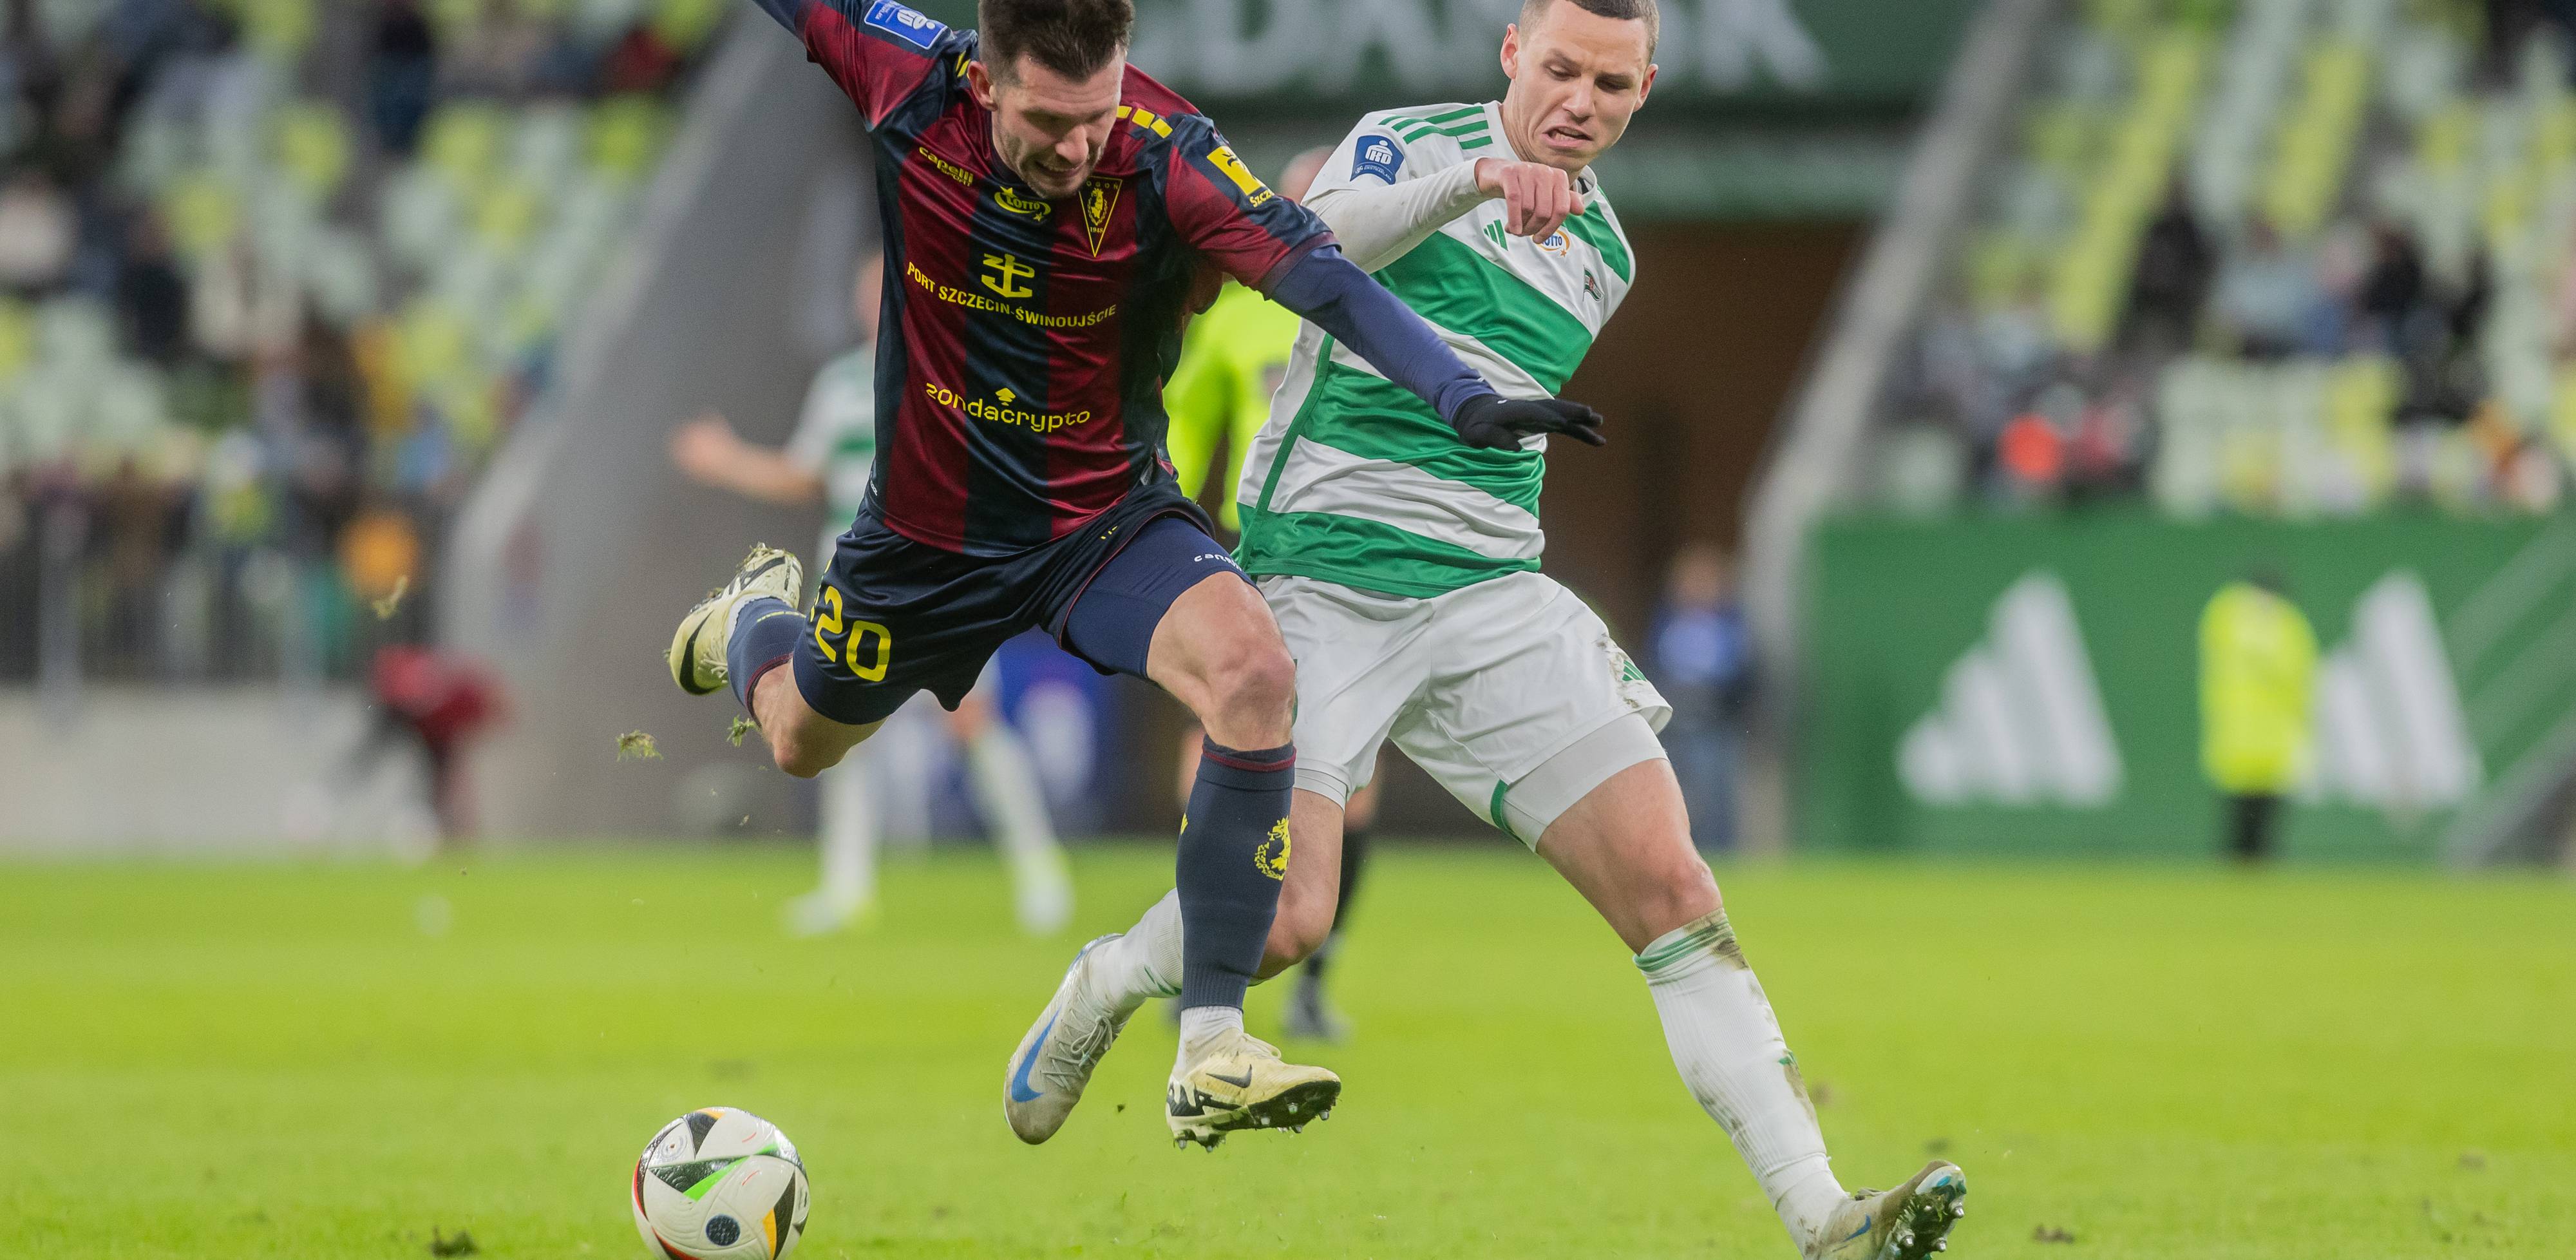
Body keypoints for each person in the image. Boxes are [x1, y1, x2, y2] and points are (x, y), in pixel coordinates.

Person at [1007, 1, 1969, 1254]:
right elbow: (1303, 250)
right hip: (1325, 588)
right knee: (1287, 923)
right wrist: (1471, 181)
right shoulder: (1406, 141)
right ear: (1513, 53)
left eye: (1612, 85)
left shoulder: (1604, 253)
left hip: (1489, 599)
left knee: (1677, 892)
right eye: (1560, 68)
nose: (1580, 100)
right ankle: (1106, 981)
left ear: (1645, 90)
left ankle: (1820, 1214)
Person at [669, 0, 1604, 1150]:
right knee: (801, 742)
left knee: (1256, 669)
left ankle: (1210, 1042)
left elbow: (1324, 279)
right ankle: (756, 623)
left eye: (1097, 116)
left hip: (1102, 517)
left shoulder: (1166, 153)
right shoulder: (908, 76)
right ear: (987, 83)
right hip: (924, 538)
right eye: (1049, 123)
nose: (1077, 149)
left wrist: (1460, 394)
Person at [670, 254, 1073, 937]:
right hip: (852, 585)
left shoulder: (959, 376)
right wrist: (729, 459)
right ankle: (847, 887)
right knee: (834, 724)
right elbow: (805, 476)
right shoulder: (842, 385)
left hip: (940, 583)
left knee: (971, 724)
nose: (877, 305)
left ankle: (1041, 873)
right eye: (868, 294)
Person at [1162, 145, 1369, 1041]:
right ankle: (1201, 954)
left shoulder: (1383, 310)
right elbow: (1182, 426)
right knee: (1216, 740)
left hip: (1359, 563)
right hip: (1261, 551)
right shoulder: (1240, 318)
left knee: (1351, 784)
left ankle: (1313, 974)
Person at [2199, 571, 2316, 862]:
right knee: (2240, 814)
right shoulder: (2233, 615)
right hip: (2242, 736)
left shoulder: (2287, 624)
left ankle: (2258, 866)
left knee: (2265, 816)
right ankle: (2237, 865)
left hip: (2270, 739)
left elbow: (2301, 677)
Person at [1649, 544, 1751, 852]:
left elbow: (1745, 674)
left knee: (1717, 797)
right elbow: (1650, 666)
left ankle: (1721, 858)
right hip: (1673, 723)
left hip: (1713, 725)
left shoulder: (1732, 624)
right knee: (1669, 794)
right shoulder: (1665, 622)